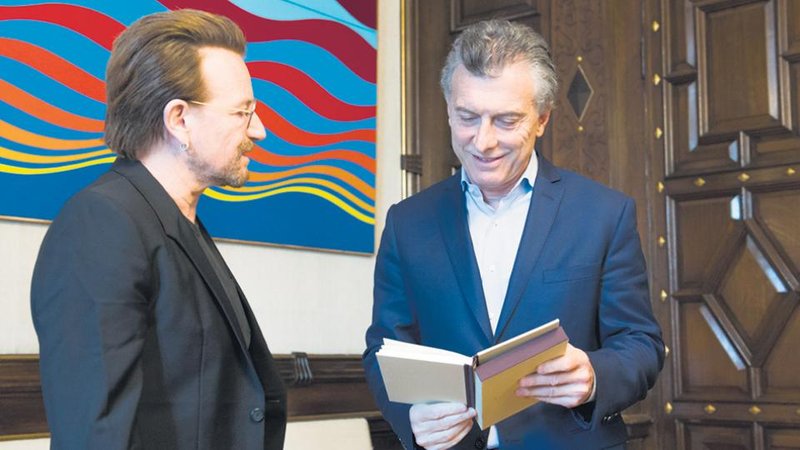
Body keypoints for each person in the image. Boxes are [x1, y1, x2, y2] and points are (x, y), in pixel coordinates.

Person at [363, 19, 664, 450]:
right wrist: (410, 418)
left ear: (542, 119)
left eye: (505, 120)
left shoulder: (604, 214)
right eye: (467, 117)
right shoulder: (407, 222)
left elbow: (641, 344)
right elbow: (383, 348)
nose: (483, 142)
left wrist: (595, 376)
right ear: (448, 109)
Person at [30, 9, 286, 450]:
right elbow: (96, 435)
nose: (259, 131)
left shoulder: (176, 221)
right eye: (243, 112)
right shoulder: (102, 223)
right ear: (179, 119)